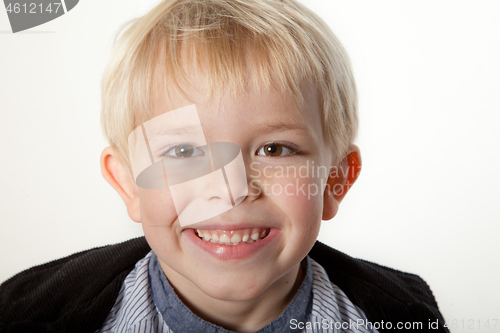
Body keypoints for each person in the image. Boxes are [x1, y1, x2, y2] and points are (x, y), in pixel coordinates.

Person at [0, 0, 449, 332]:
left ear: (336, 179)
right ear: (129, 184)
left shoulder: (403, 317)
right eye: (184, 152)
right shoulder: (30, 314)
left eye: (274, 150)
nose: (231, 189)